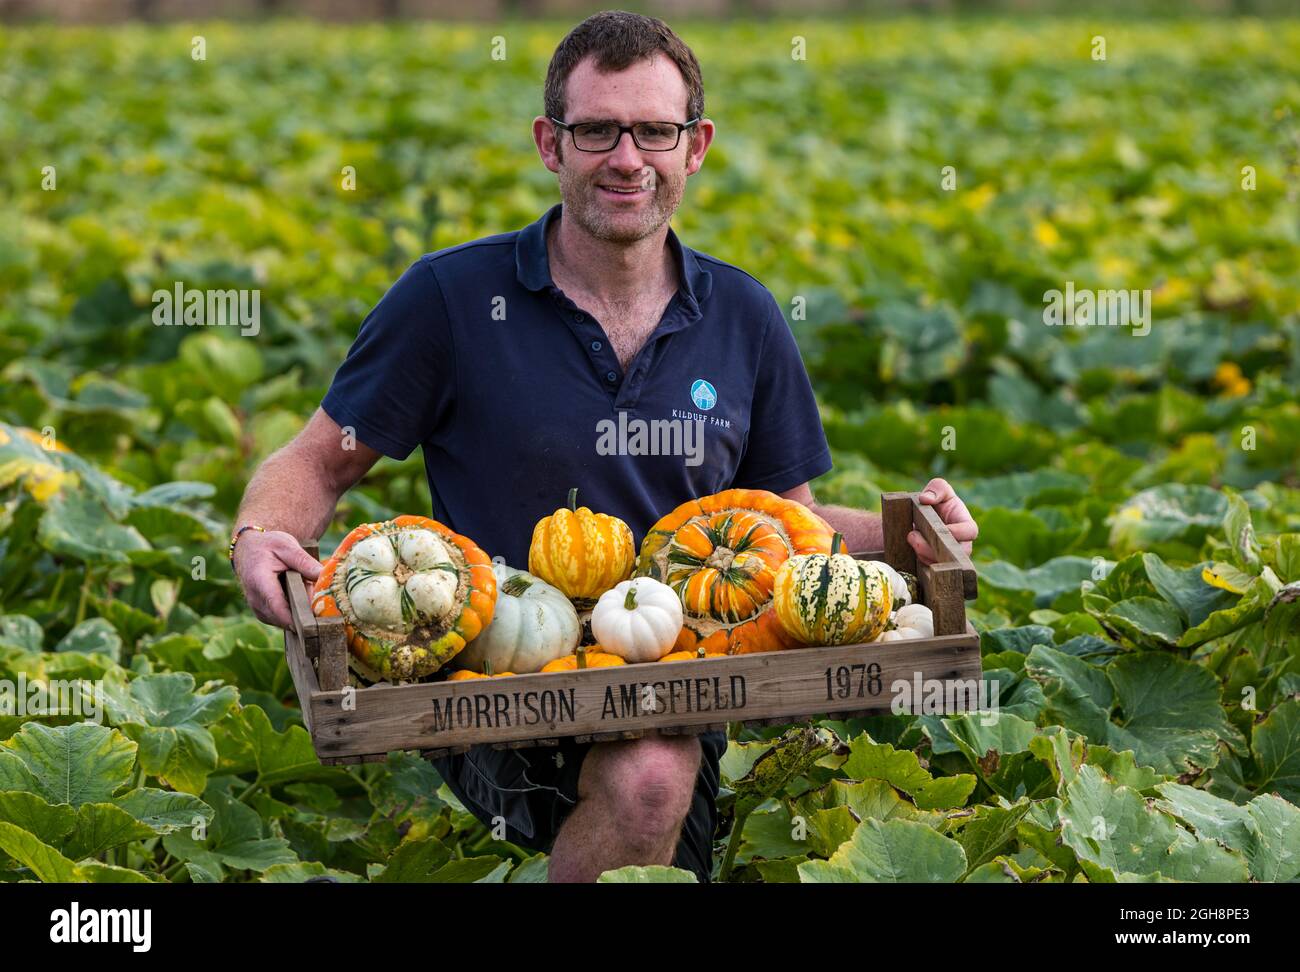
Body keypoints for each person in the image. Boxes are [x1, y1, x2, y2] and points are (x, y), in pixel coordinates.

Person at [230, 10, 979, 883]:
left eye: (654, 130)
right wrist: (256, 532)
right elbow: (318, 459)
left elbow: (790, 530)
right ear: (551, 144)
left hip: (679, 669)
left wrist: (907, 529)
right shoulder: (453, 299)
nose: (628, 158)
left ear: (693, 147)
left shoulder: (742, 317)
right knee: (650, 783)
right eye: (597, 130)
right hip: (496, 669)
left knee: (653, 773)